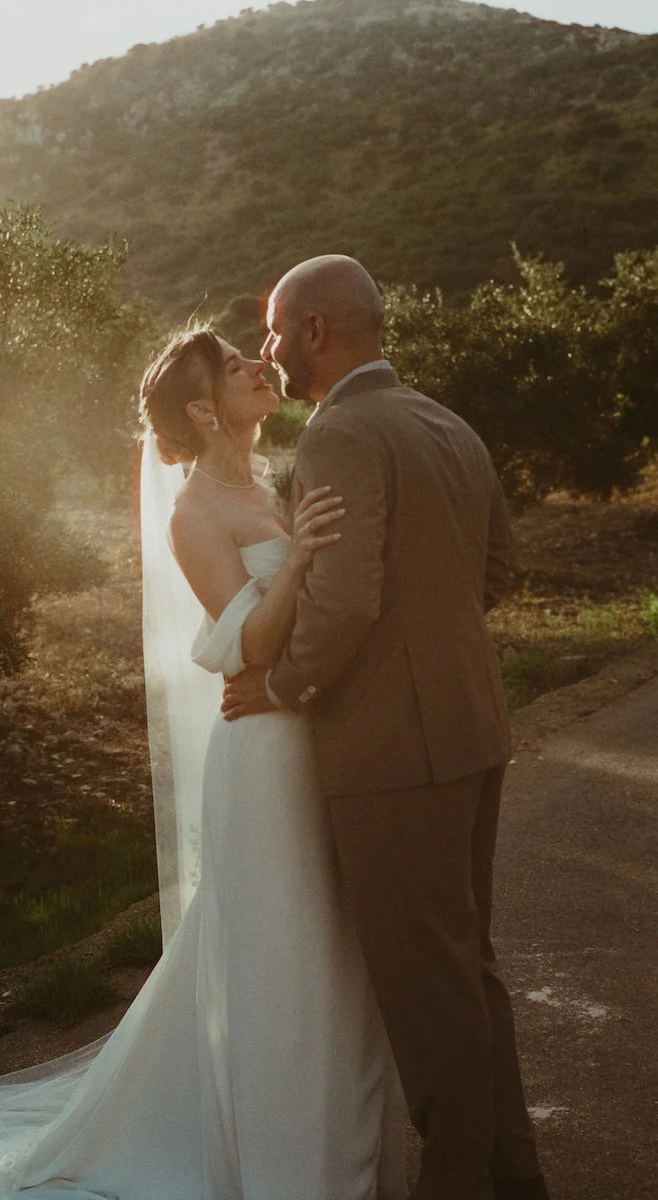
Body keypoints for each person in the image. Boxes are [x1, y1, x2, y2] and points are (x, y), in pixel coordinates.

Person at [0, 326, 407, 1199]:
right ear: (202, 409)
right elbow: (250, 644)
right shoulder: (196, 513)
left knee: (329, 958)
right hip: (262, 760)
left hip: (306, 742)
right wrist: (303, 558)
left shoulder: (263, 481)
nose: (256, 366)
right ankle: (289, 1172)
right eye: (234, 367)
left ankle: (337, 1152)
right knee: (284, 966)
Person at [222, 255, 551, 1200]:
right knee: (467, 971)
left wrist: (279, 685)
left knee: (423, 988)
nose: (271, 348)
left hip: (393, 756)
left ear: (319, 331)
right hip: (473, 732)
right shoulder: (448, 423)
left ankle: (454, 1184)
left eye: (278, 330)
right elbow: (493, 572)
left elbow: (347, 600)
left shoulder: (340, 435)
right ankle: (509, 1179)